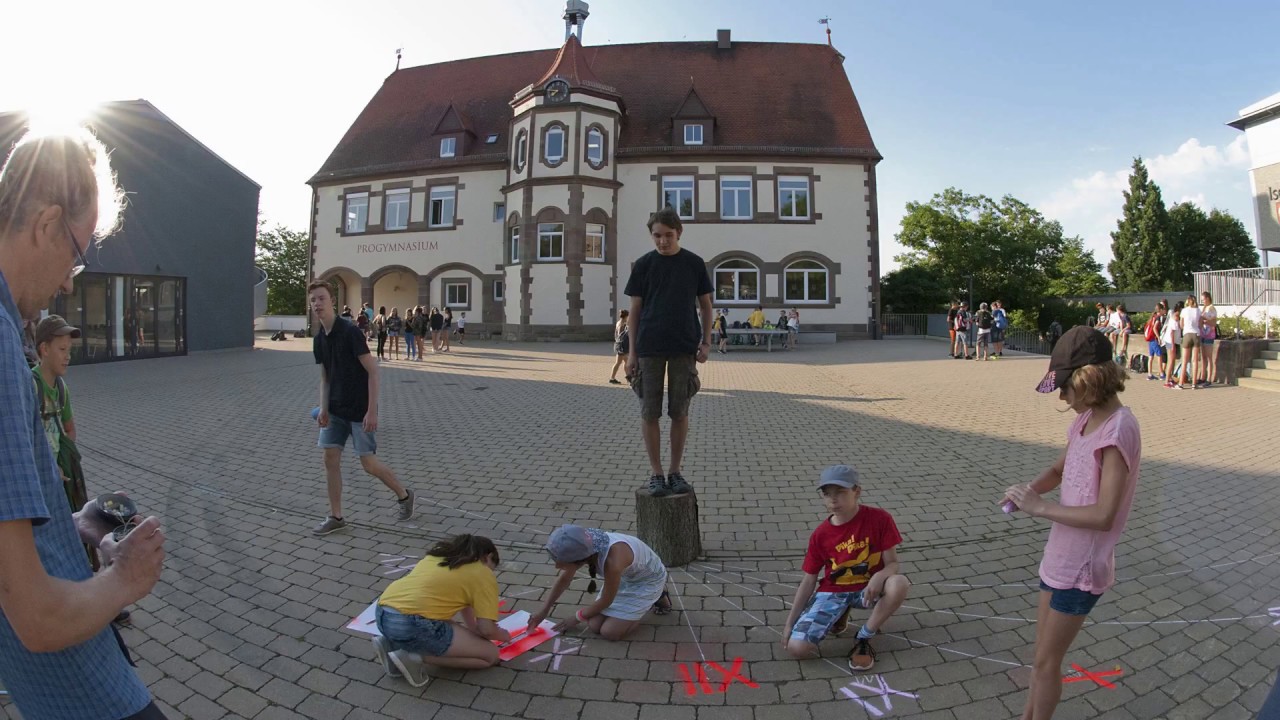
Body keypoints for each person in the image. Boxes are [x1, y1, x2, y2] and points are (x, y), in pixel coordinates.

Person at [0, 124, 169, 718]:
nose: (72, 281)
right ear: (46, 225)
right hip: (77, 684)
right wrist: (125, 579)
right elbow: (39, 619)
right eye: (77, 252)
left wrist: (64, 530)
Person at [1003, 326, 1141, 720]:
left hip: (1082, 568)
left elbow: (1103, 515)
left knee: (1048, 663)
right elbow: (1058, 470)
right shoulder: (1085, 421)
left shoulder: (1118, 429)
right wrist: (1026, 491)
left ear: (1087, 380)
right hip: (1059, 558)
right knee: (1040, 658)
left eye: (1065, 388)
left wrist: (1039, 507)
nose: (1062, 397)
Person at [308, 281, 415, 535]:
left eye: (321, 298)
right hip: (334, 410)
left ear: (332, 301)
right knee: (330, 458)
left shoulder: (350, 332)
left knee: (368, 464)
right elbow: (325, 376)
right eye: (313, 300)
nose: (317, 304)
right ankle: (336, 516)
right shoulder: (318, 339)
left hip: (359, 409)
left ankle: (404, 495)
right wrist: (323, 408)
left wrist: (372, 410)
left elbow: (373, 371)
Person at [782, 465, 909, 671]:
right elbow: (809, 580)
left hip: (868, 589)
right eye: (827, 494)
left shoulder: (879, 519)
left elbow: (893, 563)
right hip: (834, 591)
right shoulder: (820, 535)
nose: (833, 500)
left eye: (840, 492)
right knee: (797, 649)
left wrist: (880, 575)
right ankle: (840, 612)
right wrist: (790, 623)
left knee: (899, 583)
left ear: (857, 491)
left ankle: (864, 636)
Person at [624, 207, 713, 497]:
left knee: (679, 411)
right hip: (648, 347)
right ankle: (656, 474)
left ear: (679, 233)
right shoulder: (643, 265)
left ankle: (675, 472)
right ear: (651, 235)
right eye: (657, 236)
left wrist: (706, 342)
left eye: (668, 235)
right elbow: (634, 311)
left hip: (684, 346)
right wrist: (631, 353)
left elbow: (706, 306)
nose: (662, 241)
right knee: (649, 412)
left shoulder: (694, 264)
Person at [371, 534, 509, 687]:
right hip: (411, 623)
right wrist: (504, 635)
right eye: (492, 567)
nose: (491, 571)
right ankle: (412, 655)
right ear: (488, 556)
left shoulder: (440, 556)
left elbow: (467, 604)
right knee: (490, 655)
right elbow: (487, 629)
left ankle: (392, 643)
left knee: (443, 628)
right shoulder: (482, 573)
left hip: (382, 614)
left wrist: (472, 630)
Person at [528, 524, 671, 642]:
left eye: (563, 564)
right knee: (594, 625)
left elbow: (606, 600)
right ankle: (635, 608)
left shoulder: (612, 562)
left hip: (647, 580)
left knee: (610, 633)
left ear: (580, 559)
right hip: (626, 577)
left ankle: (658, 595)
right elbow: (564, 580)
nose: (557, 568)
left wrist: (576, 618)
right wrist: (543, 611)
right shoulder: (585, 544)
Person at [32, 315, 95, 566]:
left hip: (62, 478)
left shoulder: (61, 388)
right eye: (61, 350)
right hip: (38, 482)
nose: (67, 356)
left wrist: (62, 462)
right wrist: (48, 466)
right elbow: (23, 440)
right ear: (44, 349)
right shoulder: (29, 386)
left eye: (69, 350)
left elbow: (70, 431)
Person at [1178, 294, 1201, 390]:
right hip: (1196, 334)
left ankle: (1181, 383)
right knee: (1195, 361)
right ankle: (1194, 383)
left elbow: (1181, 324)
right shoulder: (1198, 310)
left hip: (1187, 334)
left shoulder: (1184, 310)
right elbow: (1199, 323)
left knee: (1185, 360)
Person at [1199, 291, 1218, 387]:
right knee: (1203, 357)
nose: (1202, 301)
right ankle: (1203, 376)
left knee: (1209, 357)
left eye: (1203, 299)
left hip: (1209, 334)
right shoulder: (1204, 308)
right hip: (1203, 334)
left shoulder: (1212, 308)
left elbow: (1214, 323)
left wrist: (1205, 321)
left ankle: (1209, 378)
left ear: (1207, 298)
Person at [1162, 302, 1183, 389]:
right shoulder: (1174, 317)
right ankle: (1167, 380)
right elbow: (1171, 332)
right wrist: (1173, 345)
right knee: (1170, 361)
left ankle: (1170, 378)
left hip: (1173, 341)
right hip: (1171, 341)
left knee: (1173, 361)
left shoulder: (1177, 317)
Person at [1143, 303, 1166, 381]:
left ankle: (1150, 374)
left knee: (1151, 356)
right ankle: (1162, 373)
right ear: (1161, 310)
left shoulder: (1153, 316)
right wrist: (1158, 337)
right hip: (1154, 339)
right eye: (1163, 310)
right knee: (1159, 355)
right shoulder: (1158, 318)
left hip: (1150, 339)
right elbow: (1154, 328)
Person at [610, 309, 630, 384]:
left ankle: (613, 378)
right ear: (627, 316)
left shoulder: (618, 322)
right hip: (623, 345)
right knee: (623, 363)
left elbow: (616, 334)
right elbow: (624, 335)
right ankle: (628, 378)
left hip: (618, 344)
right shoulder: (624, 324)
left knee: (622, 362)